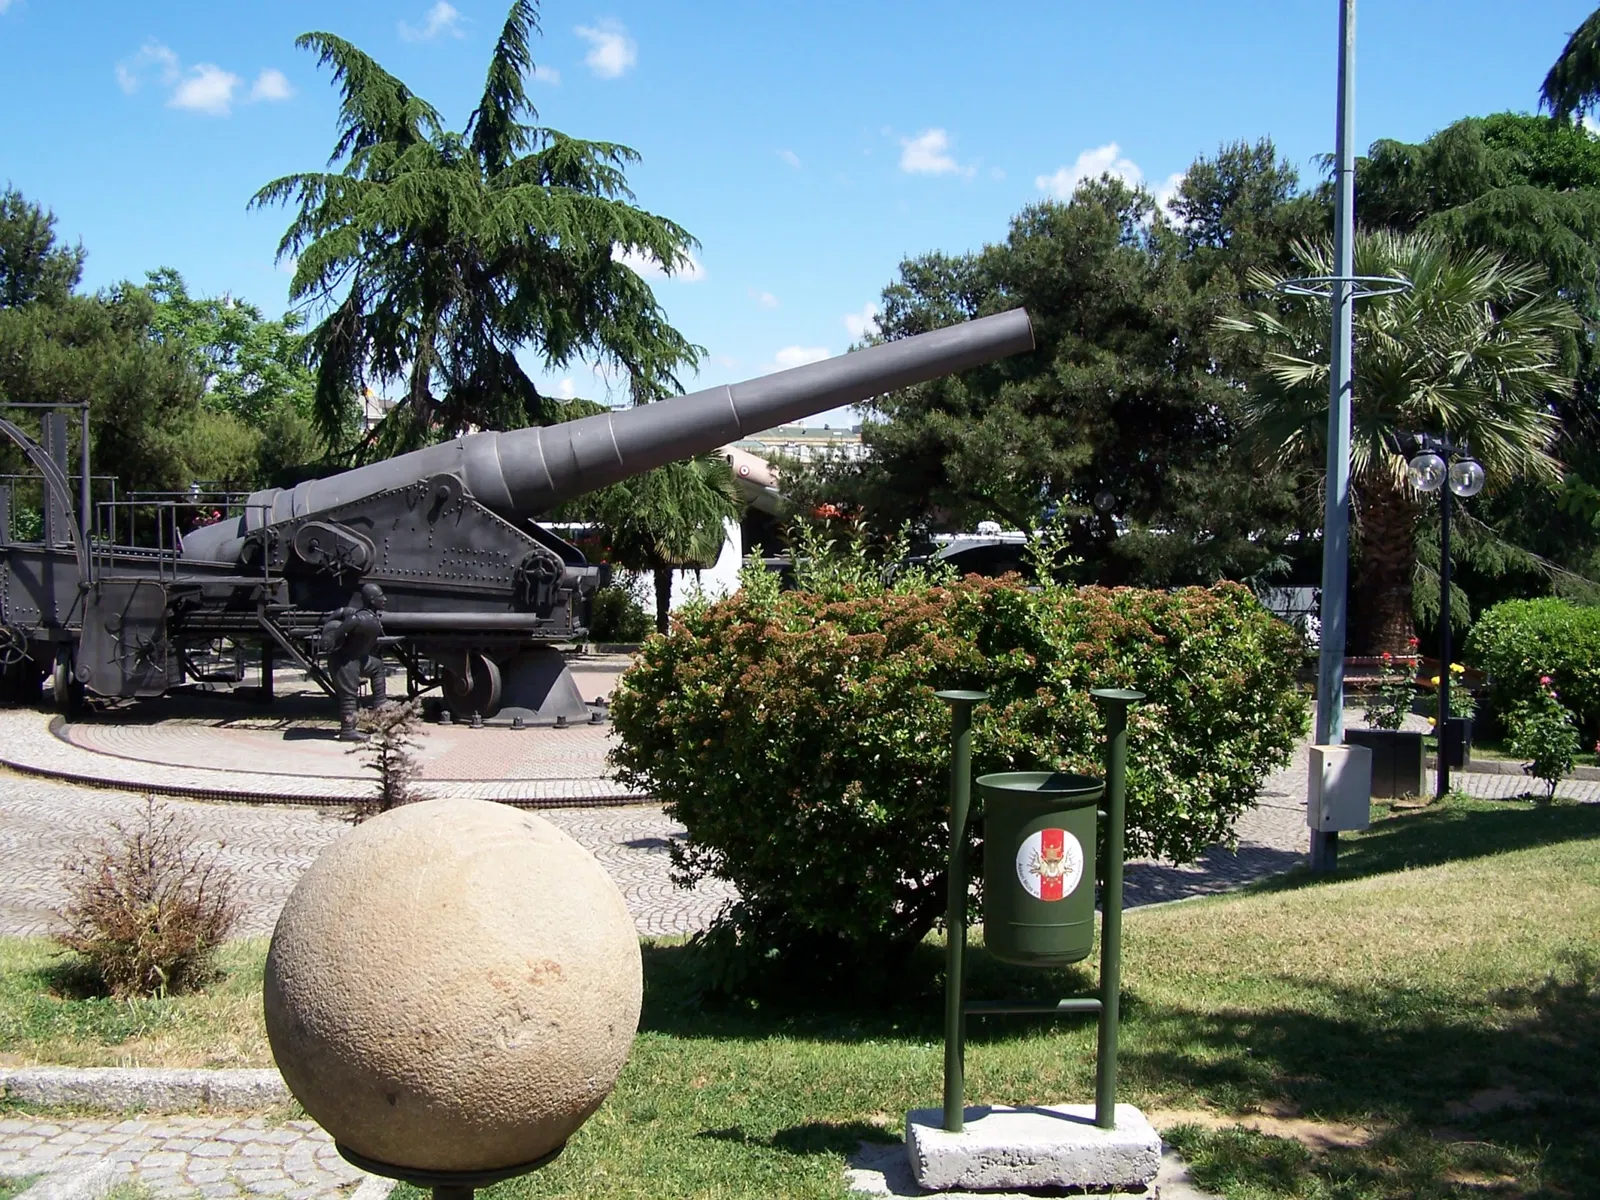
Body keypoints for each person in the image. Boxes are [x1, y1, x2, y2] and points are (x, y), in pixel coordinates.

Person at [321, 583, 388, 741]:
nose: (385, 599)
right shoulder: (357, 619)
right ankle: (347, 731)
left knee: (378, 666)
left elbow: (342, 611)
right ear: (372, 600)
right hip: (346, 662)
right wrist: (329, 632)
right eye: (381, 597)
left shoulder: (369, 616)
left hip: (361, 659)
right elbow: (333, 636)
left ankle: (380, 703)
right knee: (349, 696)